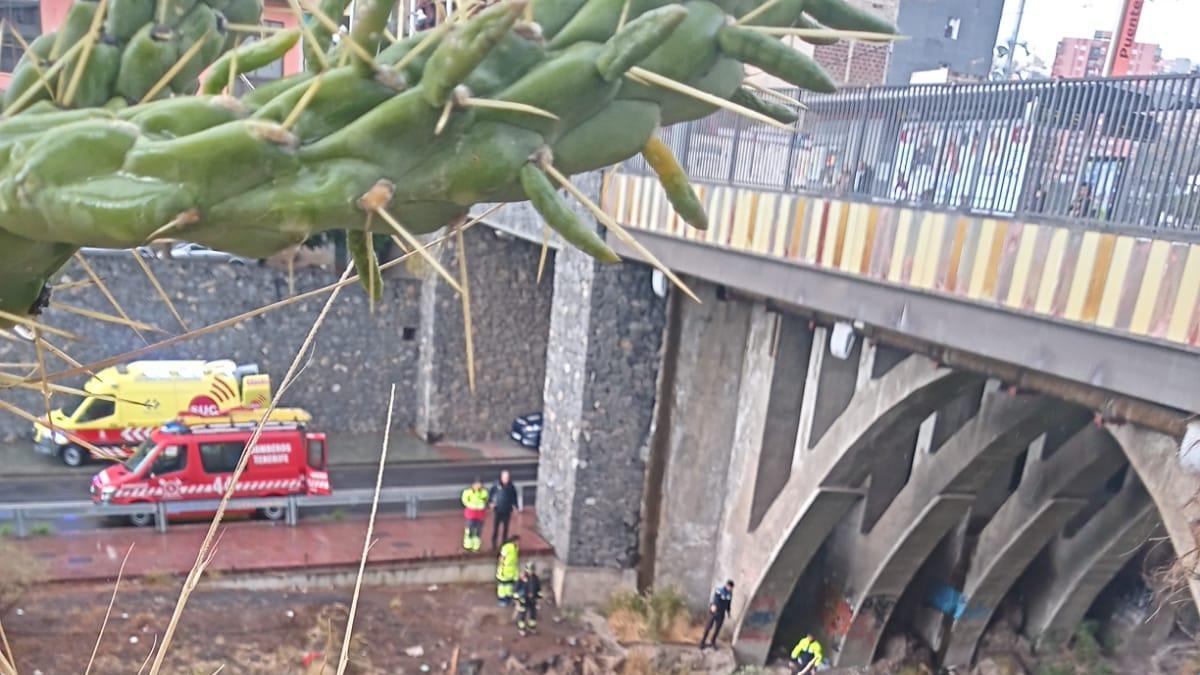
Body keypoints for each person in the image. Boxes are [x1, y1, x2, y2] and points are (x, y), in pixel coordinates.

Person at [489, 469, 520, 550]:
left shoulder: (511, 486)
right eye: (505, 477)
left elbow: (514, 497)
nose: (506, 479)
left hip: (507, 509)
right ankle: (494, 543)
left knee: (506, 527)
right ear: (501, 477)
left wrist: (515, 506)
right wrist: (491, 503)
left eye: (507, 477)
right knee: (496, 527)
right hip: (498, 509)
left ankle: (504, 542)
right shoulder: (496, 485)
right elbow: (491, 494)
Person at [699, 580, 734, 650]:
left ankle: (712, 642)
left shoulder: (730, 594)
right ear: (727, 585)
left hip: (721, 613)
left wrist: (729, 612)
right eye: (730, 587)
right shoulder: (719, 590)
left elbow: (728, 604)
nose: (730, 589)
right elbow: (716, 599)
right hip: (714, 612)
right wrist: (714, 606)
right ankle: (702, 642)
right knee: (708, 627)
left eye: (731, 588)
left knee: (717, 629)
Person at [514, 562, 543, 636]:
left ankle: (532, 627)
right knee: (522, 615)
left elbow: (538, 590)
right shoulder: (522, 578)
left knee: (533, 615)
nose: (531, 572)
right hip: (523, 600)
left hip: (532, 601)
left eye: (532, 570)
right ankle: (522, 629)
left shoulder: (536, 578)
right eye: (529, 570)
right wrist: (517, 601)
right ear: (526, 569)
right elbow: (516, 590)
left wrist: (539, 598)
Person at [460, 478, 488, 552]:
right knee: (469, 530)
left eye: (480, 484)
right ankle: (468, 546)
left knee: (478, 531)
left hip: (480, 515)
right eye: (477, 484)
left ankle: (476, 546)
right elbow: (464, 501)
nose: (478, 486)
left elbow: (485, 500)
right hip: (471, 514)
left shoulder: (484, 492)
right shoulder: (468, 492)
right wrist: (473, 505)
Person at [496, 534, 520, 606]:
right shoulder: (507, 547)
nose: (519, 543)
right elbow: (502, 557)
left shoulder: (516, 547)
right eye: (518, 541)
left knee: (509, 585)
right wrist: (501, 567)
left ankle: (508, 598)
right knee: (503, 586)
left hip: (512, 570)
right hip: (505, 569)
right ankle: (502, 600)